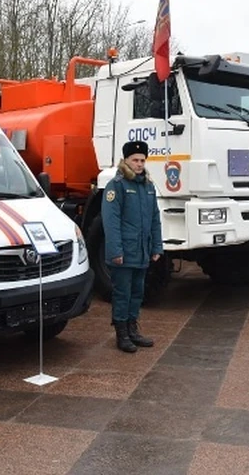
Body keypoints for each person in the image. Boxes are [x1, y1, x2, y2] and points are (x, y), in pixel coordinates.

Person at [102, 140, 163, 353]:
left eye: (142, 160)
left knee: (137, 292)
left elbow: (155, 219)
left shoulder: (147, 186)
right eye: (135, 160)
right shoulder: (116, 186)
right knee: (122, 293)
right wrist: (115, 251)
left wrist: (157, 247)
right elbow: (111, 222)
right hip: (124, 252)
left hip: (142, 251)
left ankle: (133, 329)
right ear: (126, 160)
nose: (139, 164)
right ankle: (121, 333)